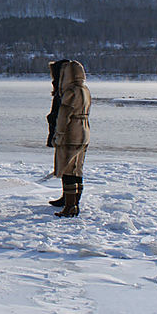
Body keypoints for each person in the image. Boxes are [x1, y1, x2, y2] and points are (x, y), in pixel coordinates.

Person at [51, 60, 91, 218]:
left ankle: (69, 206)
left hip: (71, 132)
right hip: (84, 130)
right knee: (77, 168)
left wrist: (58, 134)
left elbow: (63, 117)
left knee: (68, 169)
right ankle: (75, 202)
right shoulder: (85, 90)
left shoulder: (71, 91)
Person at [45, 59, 71, 207]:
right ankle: (66, 196)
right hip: (60, 131)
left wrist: (58, 131)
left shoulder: (66, 90)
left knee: (67, 166)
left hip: (64, 133)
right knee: (65, 165)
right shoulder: (62, 88)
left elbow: (63, 112)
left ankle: (68, 198)